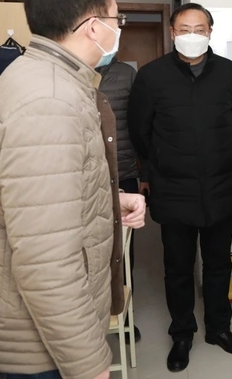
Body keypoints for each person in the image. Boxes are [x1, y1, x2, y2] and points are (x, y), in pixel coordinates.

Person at [0, 0, 146, 379]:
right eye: (116, 19)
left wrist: (108, 200)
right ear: (93, 27)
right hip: (35, 352)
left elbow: (43, 203)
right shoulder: (50, 102)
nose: (118, 28)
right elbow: (46, 259)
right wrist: (88, 364)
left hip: (38, 337)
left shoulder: (45, 79)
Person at [127, 2, 232, 372]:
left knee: (218, 264)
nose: (192, 35)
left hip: (220, 186)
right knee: (177, 268)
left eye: (199, 29)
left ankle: (219, 328)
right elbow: (140, 132)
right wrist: (164, 162)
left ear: (210, 32)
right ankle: (182, 333)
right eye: (184, 29)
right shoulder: (151, 76)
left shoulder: (229, 72)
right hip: (173, 189)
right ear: (172, 32)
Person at [98, 56, 142, 343]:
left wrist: (143, 171)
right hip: (83, 174)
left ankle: (125, 316)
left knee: (123, 252)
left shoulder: (126, 74)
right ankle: (92, 318)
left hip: (122, 172)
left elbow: (138, 122)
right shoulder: (68, 70)